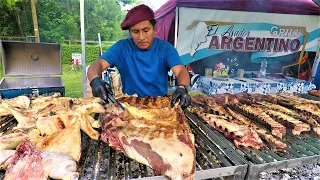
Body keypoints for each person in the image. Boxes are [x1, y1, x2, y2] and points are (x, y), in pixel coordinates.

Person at [87, 4, 191, 109]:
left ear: (155, 29)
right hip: (129, 106)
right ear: (130, 32)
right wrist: (95, 80)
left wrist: (182, 87)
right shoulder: (121, 48)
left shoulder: (166, 48)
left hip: (160, 105)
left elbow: (180, 70)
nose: (141, 37)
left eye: (146, 30)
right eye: (135, 32)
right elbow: (98, 64)